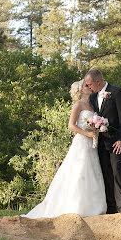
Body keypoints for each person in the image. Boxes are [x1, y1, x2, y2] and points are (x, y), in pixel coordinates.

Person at [24, 80, 107, 218]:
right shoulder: (78, 105)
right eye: (86, 86)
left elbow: (92, 123)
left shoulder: (92, 105)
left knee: (92, 171)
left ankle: (93, 207)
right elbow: (71, 125)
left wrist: (98, 128)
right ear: (80, 90)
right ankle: (76, 206)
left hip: (92, 143)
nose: (89, 87)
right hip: (81, 142)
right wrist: (88, 134)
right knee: (79, 171)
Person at [84, 68, 121, 214]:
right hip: (100, 142)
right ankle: (110, 207)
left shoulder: (117, 92)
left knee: (117, 171)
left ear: (98, 81)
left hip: (116, 141)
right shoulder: (92, 98)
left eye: (90, 84)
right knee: (105, 173)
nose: (88, 87)